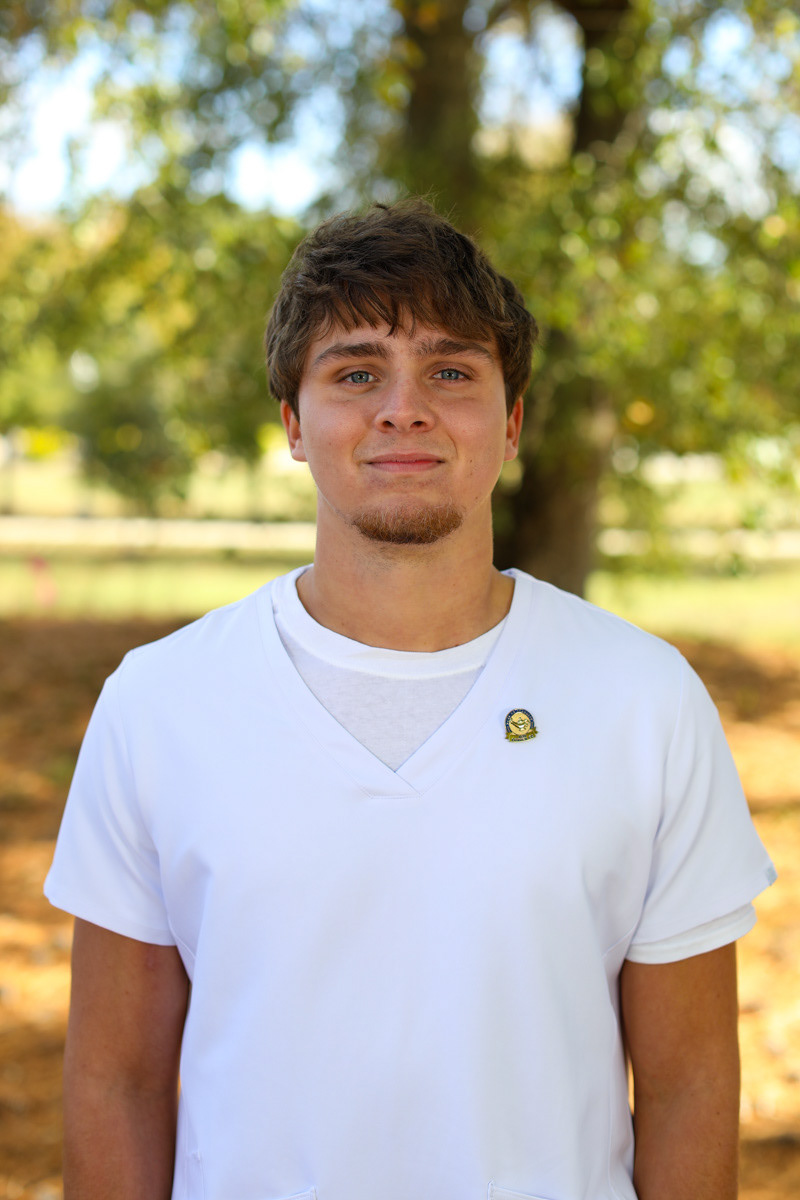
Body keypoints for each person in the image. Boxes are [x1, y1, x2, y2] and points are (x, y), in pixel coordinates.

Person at [46, 199, 775, 1200]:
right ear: (293, 424)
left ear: (510, 423)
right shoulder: (160, 704)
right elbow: (116, 1081)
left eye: (450, 371)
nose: (403, 408)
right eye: (356, 373)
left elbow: (689, 1085)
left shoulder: (644, 701)